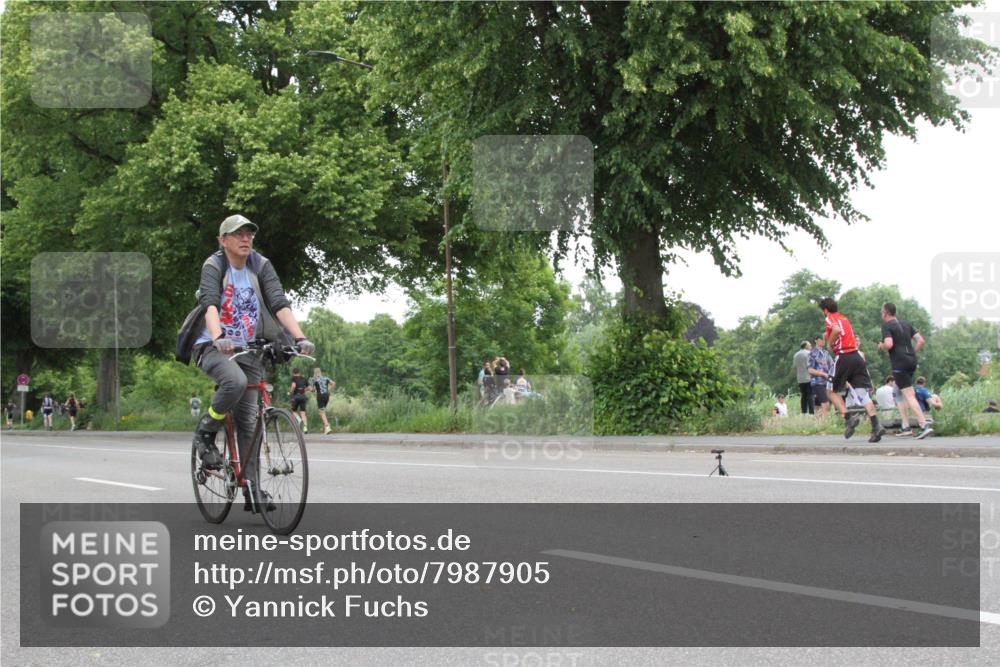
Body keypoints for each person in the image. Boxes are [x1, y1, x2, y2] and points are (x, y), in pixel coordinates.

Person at [187, 214, 314, 514]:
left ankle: (253, 491)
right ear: (223, 240)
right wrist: (218, 336)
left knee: (249, 424)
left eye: (249, 234)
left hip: (250, 348)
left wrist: (299, 337)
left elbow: (279, 303)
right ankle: (206, 433)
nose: (245, 238)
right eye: (237, 234)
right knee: (235, 382)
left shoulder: (261, 265)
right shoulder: (215, 265)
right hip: (214, 346)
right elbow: (210, 304)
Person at [819, 297, 885, 442]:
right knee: (862, 393)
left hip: (844, 356)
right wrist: (828, 335)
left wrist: (829, 344)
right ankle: (876, 425)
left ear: (825, 310)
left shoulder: (830, 318)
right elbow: (841, 332)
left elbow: (835, 330)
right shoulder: (844, 318)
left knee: (830, 390)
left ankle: (848, 418)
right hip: (857, 357)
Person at [877, 303, 932, 439]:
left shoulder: (887, 326)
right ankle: (905, 426)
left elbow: (889, 344)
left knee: (909, 394)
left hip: (899, 363)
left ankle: (923, 425)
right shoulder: (906, 324)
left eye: (881, 312)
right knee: (897, 391)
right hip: (911, 361)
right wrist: (912, 353)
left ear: (886, 313)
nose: (881, 314)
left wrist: (881, 346)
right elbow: (920, 341)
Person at [807, 335, 834, 417]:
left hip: (828, 382)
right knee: (826, 404)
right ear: (816, 340)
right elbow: (810, 370)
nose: (823, 341)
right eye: (821, 339)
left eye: (824, 339)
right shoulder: (812, 353)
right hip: (817, 382)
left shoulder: (826, 353)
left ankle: (817, 422)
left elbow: (832, 366)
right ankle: (825, 424)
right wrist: (823, 374)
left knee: (823, 406)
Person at [310, 367, 336, 435]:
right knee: (322, 412)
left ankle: (327, 426)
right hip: (326, 396)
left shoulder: (314, 380)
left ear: (315, 373)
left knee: (322, 412)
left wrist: (311, 389)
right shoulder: (326, 378)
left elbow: (312, 390)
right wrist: (329, 391)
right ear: (320, 372)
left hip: (320, 396)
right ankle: (326, 429)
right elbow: (333, 383)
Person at [793, 341, 813, 414]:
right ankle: (812, 412)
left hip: (800, 378)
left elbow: (795, 367)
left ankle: (804, 412)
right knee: (810, 395)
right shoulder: (809, 354)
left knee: (803, 396)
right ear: (806, 346)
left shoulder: (796, 355)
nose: (811, 347)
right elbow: (811, 366)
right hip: (809, 377)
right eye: (810, 345)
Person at [288, 367, 309, 433]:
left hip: (296, 397)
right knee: (303, 413)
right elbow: (309, 388)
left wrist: (290, 392)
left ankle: (299, 419)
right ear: (299, 372)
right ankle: (305, 428)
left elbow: (293, 386)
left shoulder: (294, 378)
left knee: (293, 411)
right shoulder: (304, 378)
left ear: (293, 373)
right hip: (303, 397)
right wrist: (303, 390)